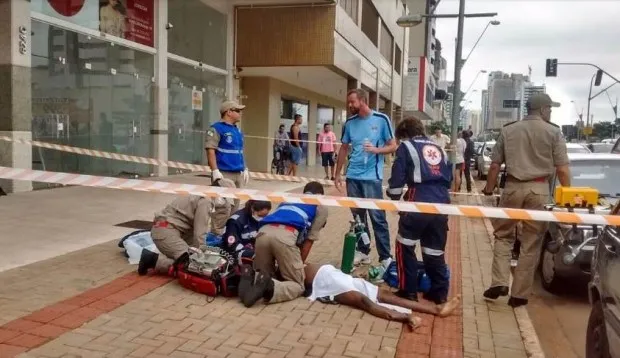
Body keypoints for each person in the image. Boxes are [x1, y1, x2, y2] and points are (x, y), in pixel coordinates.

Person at [481, 93, 571, 307]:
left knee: (503, 235)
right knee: (531, 242)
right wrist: (569, 195)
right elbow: (563, 169)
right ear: (542, 110)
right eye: (549, 108)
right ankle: (519, 295)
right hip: (540, 190)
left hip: (512, 187)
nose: (550, 112)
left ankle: (499, 281)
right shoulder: (554, 132)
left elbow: (494, 165)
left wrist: (488, 188)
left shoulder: (508, 130)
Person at [386, 117, 453, 304]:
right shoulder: (439, 148)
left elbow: (397, 178)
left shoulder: (407, 147)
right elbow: (449, 177)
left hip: (418, 199)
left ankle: (409, 291)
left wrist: (393, 195)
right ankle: (439, 293)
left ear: (404, 134)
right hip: (441, 202)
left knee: (404, 245)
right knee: (434, 250)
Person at [334, 89, 398, 269]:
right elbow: (344, 148)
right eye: (349, 102)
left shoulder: (381, 119)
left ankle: (385, 256)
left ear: (363, 101)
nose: (349, 105)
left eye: (352, 102)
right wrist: (338, 174)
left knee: (377, 217)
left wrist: (376, 151)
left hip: (372, 178)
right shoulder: (350, 123)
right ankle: (363, 251)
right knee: (358, 218)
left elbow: (393, 146)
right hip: (352, 177)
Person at [238, 182, 329, 307]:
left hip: (263, 233)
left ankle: (251, 276)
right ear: (320, 195)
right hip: (285, 235)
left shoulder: (289, 199)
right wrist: (297, 266)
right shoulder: (320, 205)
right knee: (297, 284)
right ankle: (270, 287)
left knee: (266, 274)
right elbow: (309, 241)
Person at [301, 264, 461, 330]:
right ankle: (406, 317)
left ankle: (435, 309)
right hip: (329, 284)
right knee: (364, 301)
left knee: (383, 294)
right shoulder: (290, 273)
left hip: (340, 277)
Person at [137, 195, 214, 276]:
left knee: (193, 259)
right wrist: (201, 260)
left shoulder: (198, 194)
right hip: (165, 231)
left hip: (168, 229)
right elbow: (200, 234)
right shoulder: (206, 201)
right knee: (192, 266)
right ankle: (152, 259)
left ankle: (175, 259)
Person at [205, 100, 249, 211]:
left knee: (235, 207)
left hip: (238, 173)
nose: (240, 113)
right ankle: (218, 229)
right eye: (238, 111)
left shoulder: (237, 130)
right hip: (224, 173)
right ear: (229, 112)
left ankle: (229, 228)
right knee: (222, 208)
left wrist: (245, 167)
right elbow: (210, 150)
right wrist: (215, 170)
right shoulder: (216, 129)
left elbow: (239, 151)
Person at [221, 200, 272, 267]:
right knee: (261, 258)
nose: (262, 218)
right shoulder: (236, 221)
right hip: (234, 251)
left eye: (265, 216)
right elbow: (233, 245)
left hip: (250, 246)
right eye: (260, 215)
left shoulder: (257, 219)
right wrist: (251, 252)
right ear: (252, 208)